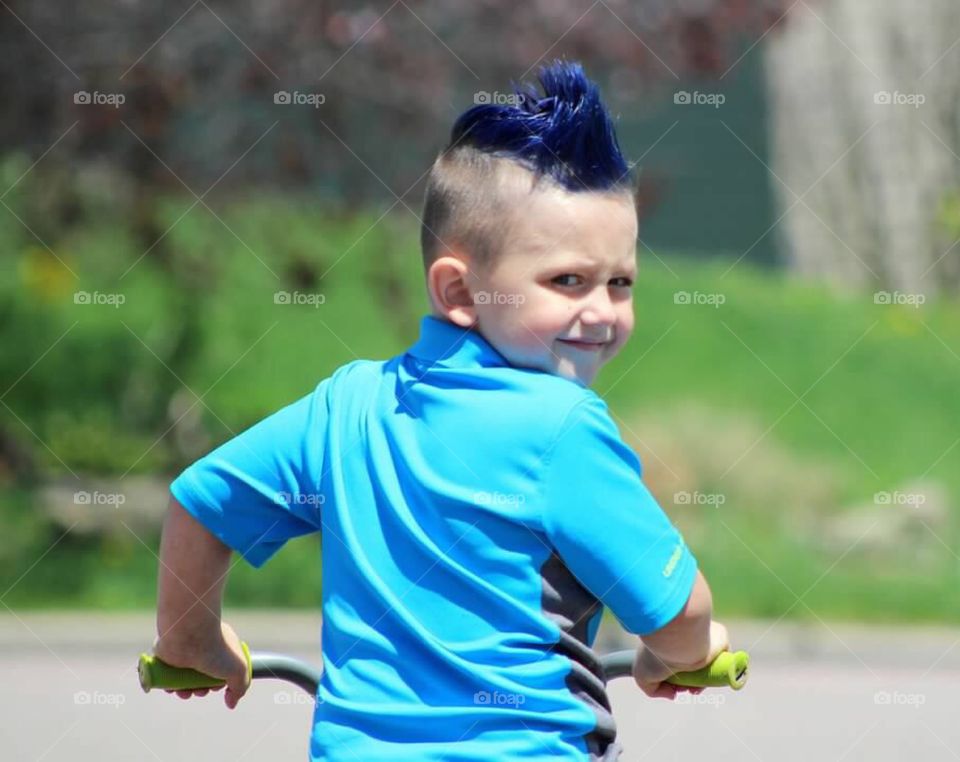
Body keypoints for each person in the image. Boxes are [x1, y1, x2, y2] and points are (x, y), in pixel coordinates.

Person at [153, 59, 730, 761]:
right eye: (567, 280)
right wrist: (680, 655)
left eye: (620, 282)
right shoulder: (561, 429)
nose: (601, 312)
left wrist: (192, 642)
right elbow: (681, 611)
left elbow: (200, 503)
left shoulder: (346, 407)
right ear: (459, 291)